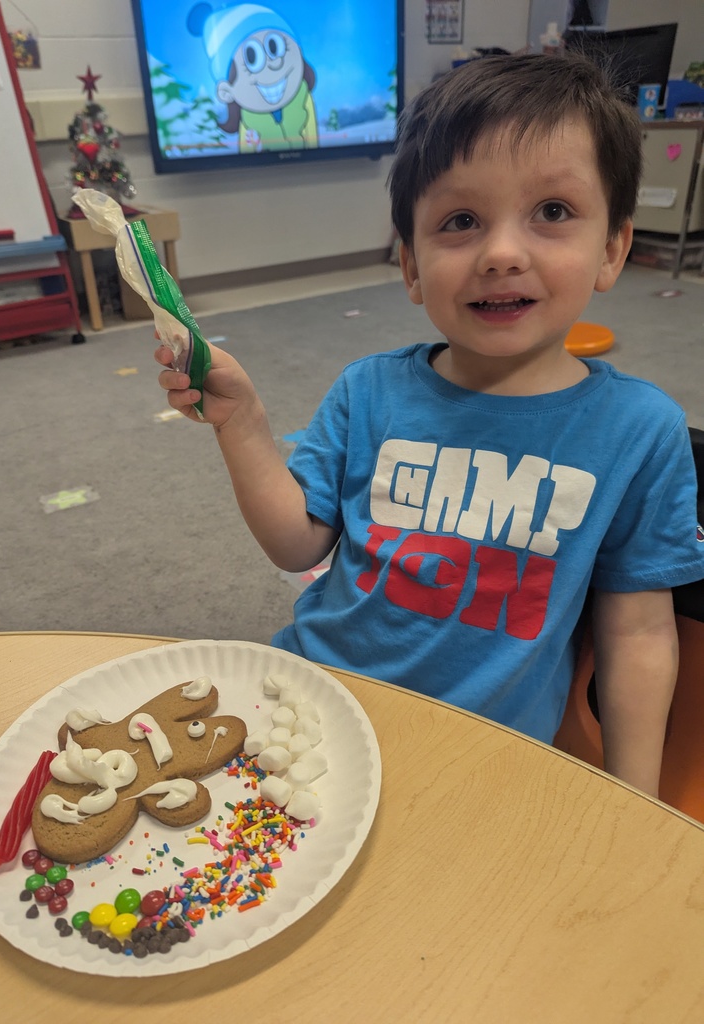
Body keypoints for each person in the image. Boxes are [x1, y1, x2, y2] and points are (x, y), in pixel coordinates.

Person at [155, 52, 704, 797]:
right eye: (460, 222)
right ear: (410, 267)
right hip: (317, 708)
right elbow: (297, 544)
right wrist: (242, 421)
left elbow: (638, 634)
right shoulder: (368, 391)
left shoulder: (639, 430)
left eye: (552, 212)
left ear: (611, 248)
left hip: (482, 757)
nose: (502, 253)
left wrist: (632, 803)